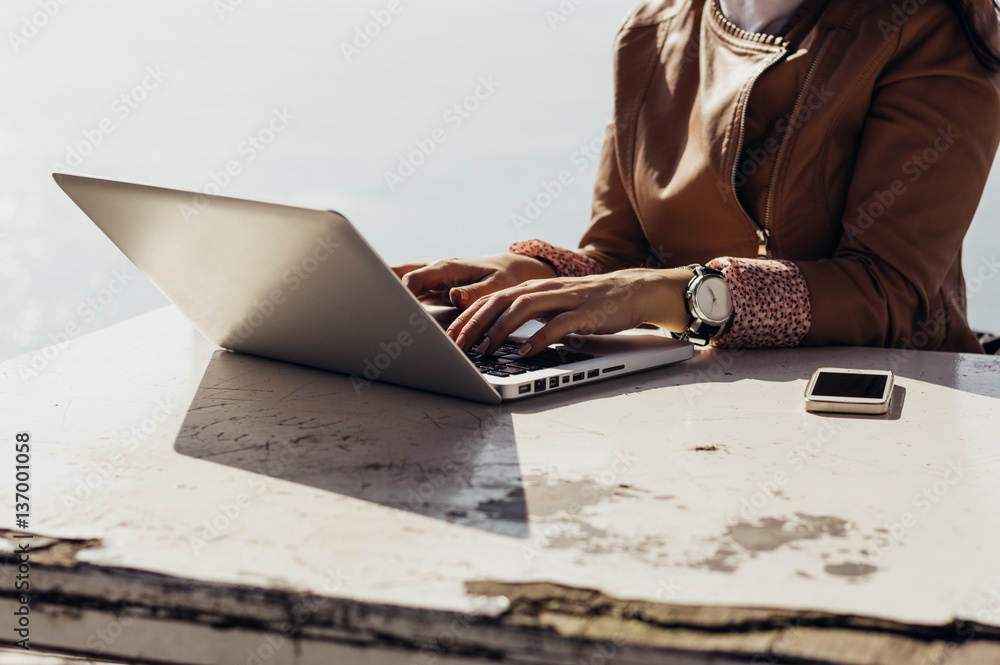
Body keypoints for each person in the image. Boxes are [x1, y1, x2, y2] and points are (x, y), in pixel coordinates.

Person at [394, 0, 1000, 360]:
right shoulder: (655, 26)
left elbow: (891, 295)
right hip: (697, 411)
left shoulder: (928, 28)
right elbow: (622, 259)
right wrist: (544, 274)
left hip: (890, 417)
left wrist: (671, 296)